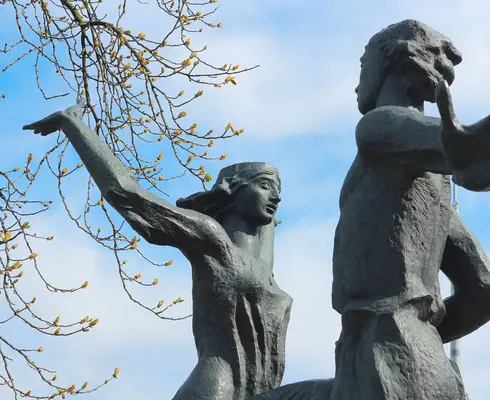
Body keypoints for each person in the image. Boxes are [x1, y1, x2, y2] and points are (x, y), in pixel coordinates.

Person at [330, 20, 490, 399]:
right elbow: (484, 295)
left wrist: (461, 148)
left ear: (390, 61)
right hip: (431, 364)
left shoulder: (375, 126)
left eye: (363, 65)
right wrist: (425, 335)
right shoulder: (437, 188)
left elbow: (432, 141)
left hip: (380, 348)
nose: (357, 82)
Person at [23, 105, 292, 400]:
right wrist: (73, 125)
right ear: (233, 191)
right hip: (217, 388)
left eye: (277, 189)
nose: (276, 197)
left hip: (262, 390)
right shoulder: (212, 241)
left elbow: (265, 231)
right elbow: (127, 194)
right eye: (265, 186)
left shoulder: (263, 264)